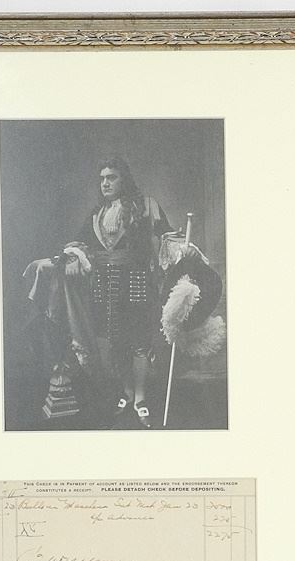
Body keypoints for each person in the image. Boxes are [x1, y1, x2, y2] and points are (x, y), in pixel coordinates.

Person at [58, 157, 201, 427]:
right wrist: (74, 255)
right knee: (115, 342)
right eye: (102, 179)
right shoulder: (97, 214)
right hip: (104, 284)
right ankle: (126, 392)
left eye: (111, 177)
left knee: (139, 342)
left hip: (136, 281)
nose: (105, 183)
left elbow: (168, 236)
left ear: (124, 179)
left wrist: (184, 248)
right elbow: (77, 243)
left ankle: (140, 398)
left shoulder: (146, 206)